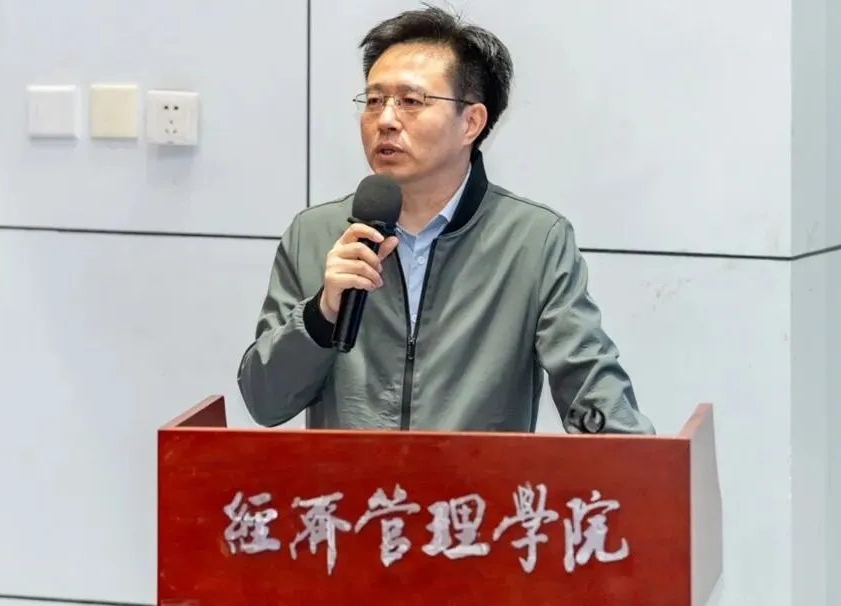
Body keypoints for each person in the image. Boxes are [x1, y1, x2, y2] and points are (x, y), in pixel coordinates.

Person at [237, 6, 655, 435]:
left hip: (473, 480)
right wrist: (321, 313)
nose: (385, 120)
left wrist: (631, 456)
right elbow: (264, 403)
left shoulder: (533, 242)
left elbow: (591, 388)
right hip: (351, 481)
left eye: (411, 101)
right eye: (374, 101)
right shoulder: (315, 235)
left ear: (471, 122)